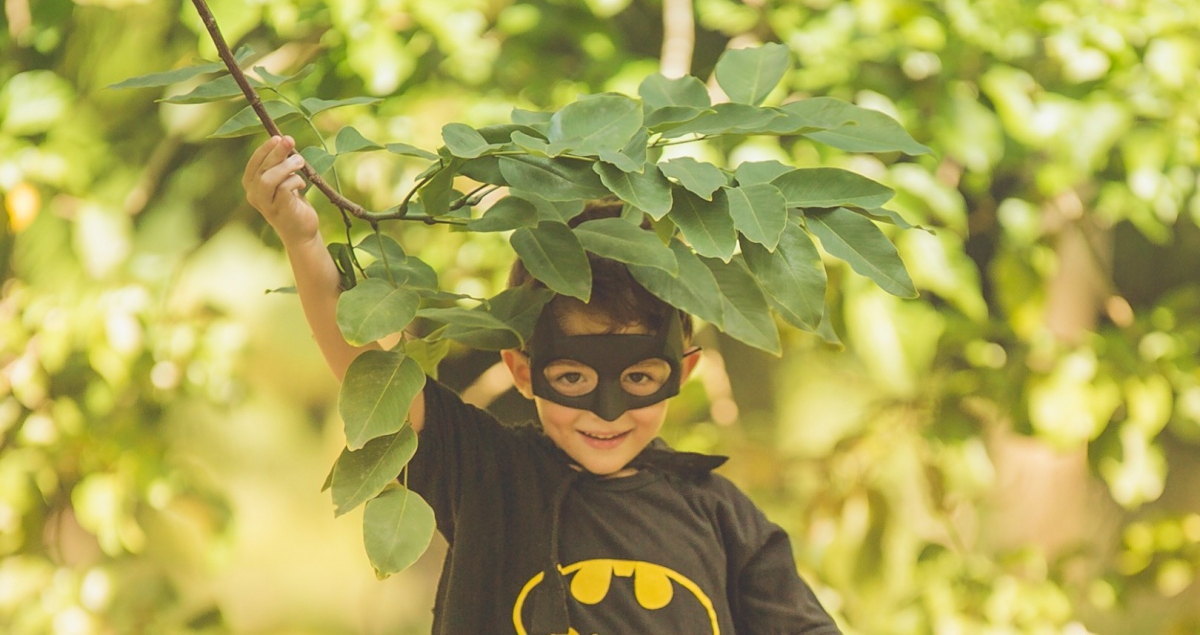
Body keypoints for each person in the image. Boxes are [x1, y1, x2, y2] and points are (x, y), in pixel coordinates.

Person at [243, 134, 843, 635]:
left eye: (638, 377)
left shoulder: (721, 516)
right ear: (522, 370)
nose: (606, 412)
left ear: (682, 374)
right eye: (573, 377)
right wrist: (303, 239)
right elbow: (370, 373)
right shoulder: (488, 474)